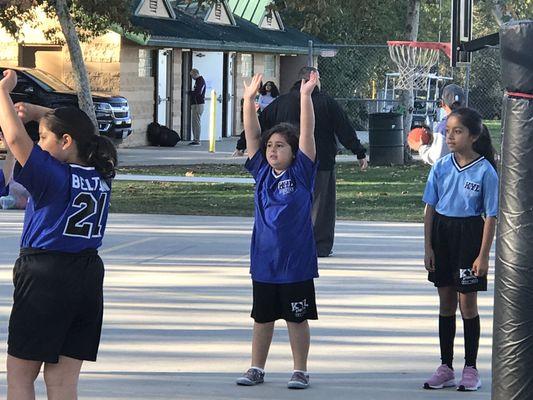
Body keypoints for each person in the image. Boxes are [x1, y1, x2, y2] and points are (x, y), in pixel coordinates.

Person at [0, 70, 117, 400]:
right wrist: (40, 115)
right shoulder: (102, 170)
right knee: (63, 382)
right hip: (87, 276)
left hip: (45, 276)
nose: (38, 144)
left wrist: (3, 94)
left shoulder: (52, 175)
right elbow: (82, 129)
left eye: (43, 138)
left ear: (66, 142)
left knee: (20, 377)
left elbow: (14, 139)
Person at [236, 71, 319, 390]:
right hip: (264, 263)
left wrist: (305, 97)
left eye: (280, 146)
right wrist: (248, 100)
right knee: (262, 318)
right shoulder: (261, 172)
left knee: (297, 319)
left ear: (294, 152)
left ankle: (300, 370)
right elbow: (252, 135)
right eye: (270, 145)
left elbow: (308, 133)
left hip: (295, 264)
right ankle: (257, 367)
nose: (272, 150)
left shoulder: (302, 172)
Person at [422, 107, 498, 392]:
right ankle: (445, 366)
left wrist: (483, 255)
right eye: (448, 130)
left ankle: (471, 368)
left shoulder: (485, 171)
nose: (450, 136)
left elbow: (491, 215)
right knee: (446, 303)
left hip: (469, 237)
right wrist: (428, 246)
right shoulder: (440, 166)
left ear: (474, 136)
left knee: (467, 305)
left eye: (458, 131)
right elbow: (430, 207)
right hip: (442, 236)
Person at [260, 66, 367, 257]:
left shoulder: (280, 102)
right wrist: (359, 152)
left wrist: (243, 144)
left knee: (289, 202)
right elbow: (344, 128)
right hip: (321, 161)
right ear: (314, 79)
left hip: (289, 163)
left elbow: (261, 123)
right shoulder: (327, 103)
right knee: (321, 206)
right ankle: (319, 245)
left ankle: (288, 241)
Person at [410, 84, 466, 165]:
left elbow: (438, 157)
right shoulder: (474, 123)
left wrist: (421, 147)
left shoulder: (443, 127)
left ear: (442, 103)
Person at [189, 68, 206, 146]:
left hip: (198, 104)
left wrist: (190, 93)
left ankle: (197, 140)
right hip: (196, 104)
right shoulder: (198, 81)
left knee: (196, 122)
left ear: (195, 74)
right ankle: (195, 139)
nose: (191, 77)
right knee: (194, 122)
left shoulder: (200, 81)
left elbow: (198, 92)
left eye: (192, 75)